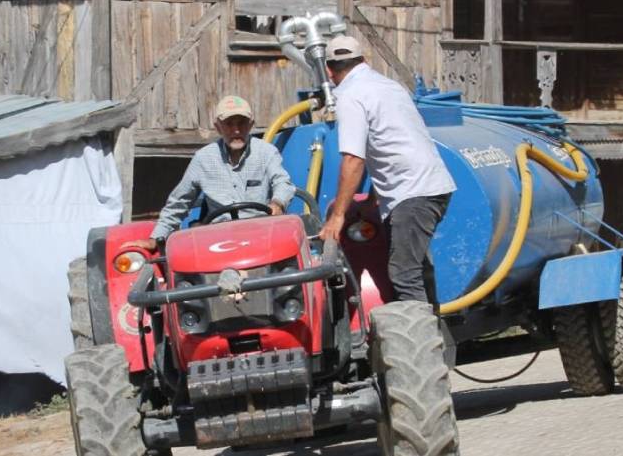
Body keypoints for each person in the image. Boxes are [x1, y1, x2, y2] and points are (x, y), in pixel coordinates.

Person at [318, 35, 456, 305]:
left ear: (329, 71)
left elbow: (354, 160)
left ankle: (420, 344)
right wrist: (372, 198)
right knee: (417, 270)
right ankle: (434, 339)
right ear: (364, 61)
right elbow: (390, 142)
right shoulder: (389, 86)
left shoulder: (349, 96)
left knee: (404, 274)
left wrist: (337, 216)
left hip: (412, 191)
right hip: (432, 184)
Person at [124, 95, 296, 251]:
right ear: (218, 127)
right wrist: (156, 238)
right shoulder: (203, 159)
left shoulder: (266, 152)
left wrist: (277, 203)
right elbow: (179, 201)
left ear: (251, 125)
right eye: (229, 124)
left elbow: (283, 182)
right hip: (218, 239)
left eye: (241, 123)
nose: (236, 130)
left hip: (261, 234)